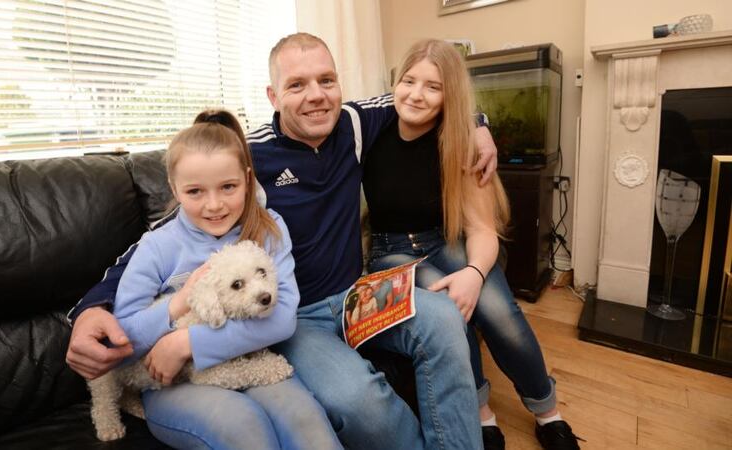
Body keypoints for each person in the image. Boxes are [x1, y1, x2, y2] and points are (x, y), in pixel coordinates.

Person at [67, 32, 501, 450]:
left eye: (326, 81)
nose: (316, 95)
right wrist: (91, 307)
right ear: (273, 96)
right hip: (299, 317)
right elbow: (163, 236)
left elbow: (423, 97)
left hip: (358, 293)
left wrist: (476, 122)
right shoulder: (250, 159)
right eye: (297, 85)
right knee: (359, 401)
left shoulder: (352, 121)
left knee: (446, 318)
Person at [362, 39, 582, 450]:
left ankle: (548, 412)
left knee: (500, 311)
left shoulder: (460, 142)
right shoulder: (371, 132)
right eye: (408, 81)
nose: (416, 94)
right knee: (449, 309)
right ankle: (481, 412)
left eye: (433, 86)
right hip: (390, 251)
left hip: (445, 240)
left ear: (450, 95)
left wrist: (475, 273)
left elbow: (482, 229)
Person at [108, 109, 342, 450]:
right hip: (172, 384)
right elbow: (123, 336)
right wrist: (178, 303)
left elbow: (281, 318)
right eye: (195, 192)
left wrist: (189, 342)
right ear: (174, 188)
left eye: (228, 187)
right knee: (244, 426)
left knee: (306, 421)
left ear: (248, 179)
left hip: (249, 360)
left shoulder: (268, 227)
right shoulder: (157, 246)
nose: (214, 205)